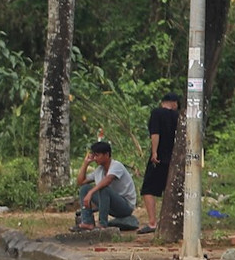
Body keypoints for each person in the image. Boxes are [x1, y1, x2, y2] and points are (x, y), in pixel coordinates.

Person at [140, 92, 181, 233]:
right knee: (170, 190)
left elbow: (155, 133)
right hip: (175, 159)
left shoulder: (157, 113)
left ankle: (152, 222)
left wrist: (154, 152)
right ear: (174, 103)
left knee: (148, 189)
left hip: (160, 157)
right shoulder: (179, 116)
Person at [77, 140, 140, 231]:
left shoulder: (116, 166)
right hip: (110, 205)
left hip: (125, 206)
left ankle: (102, 224)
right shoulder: (99, 170)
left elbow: (108, 180)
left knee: (104, 189)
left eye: (97, 155)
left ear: (106, 155)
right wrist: (85, 164)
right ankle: (87, 222)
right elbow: (81, 182)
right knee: (84, 188)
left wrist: (91, 193)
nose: (95, 158)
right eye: (94, 155)